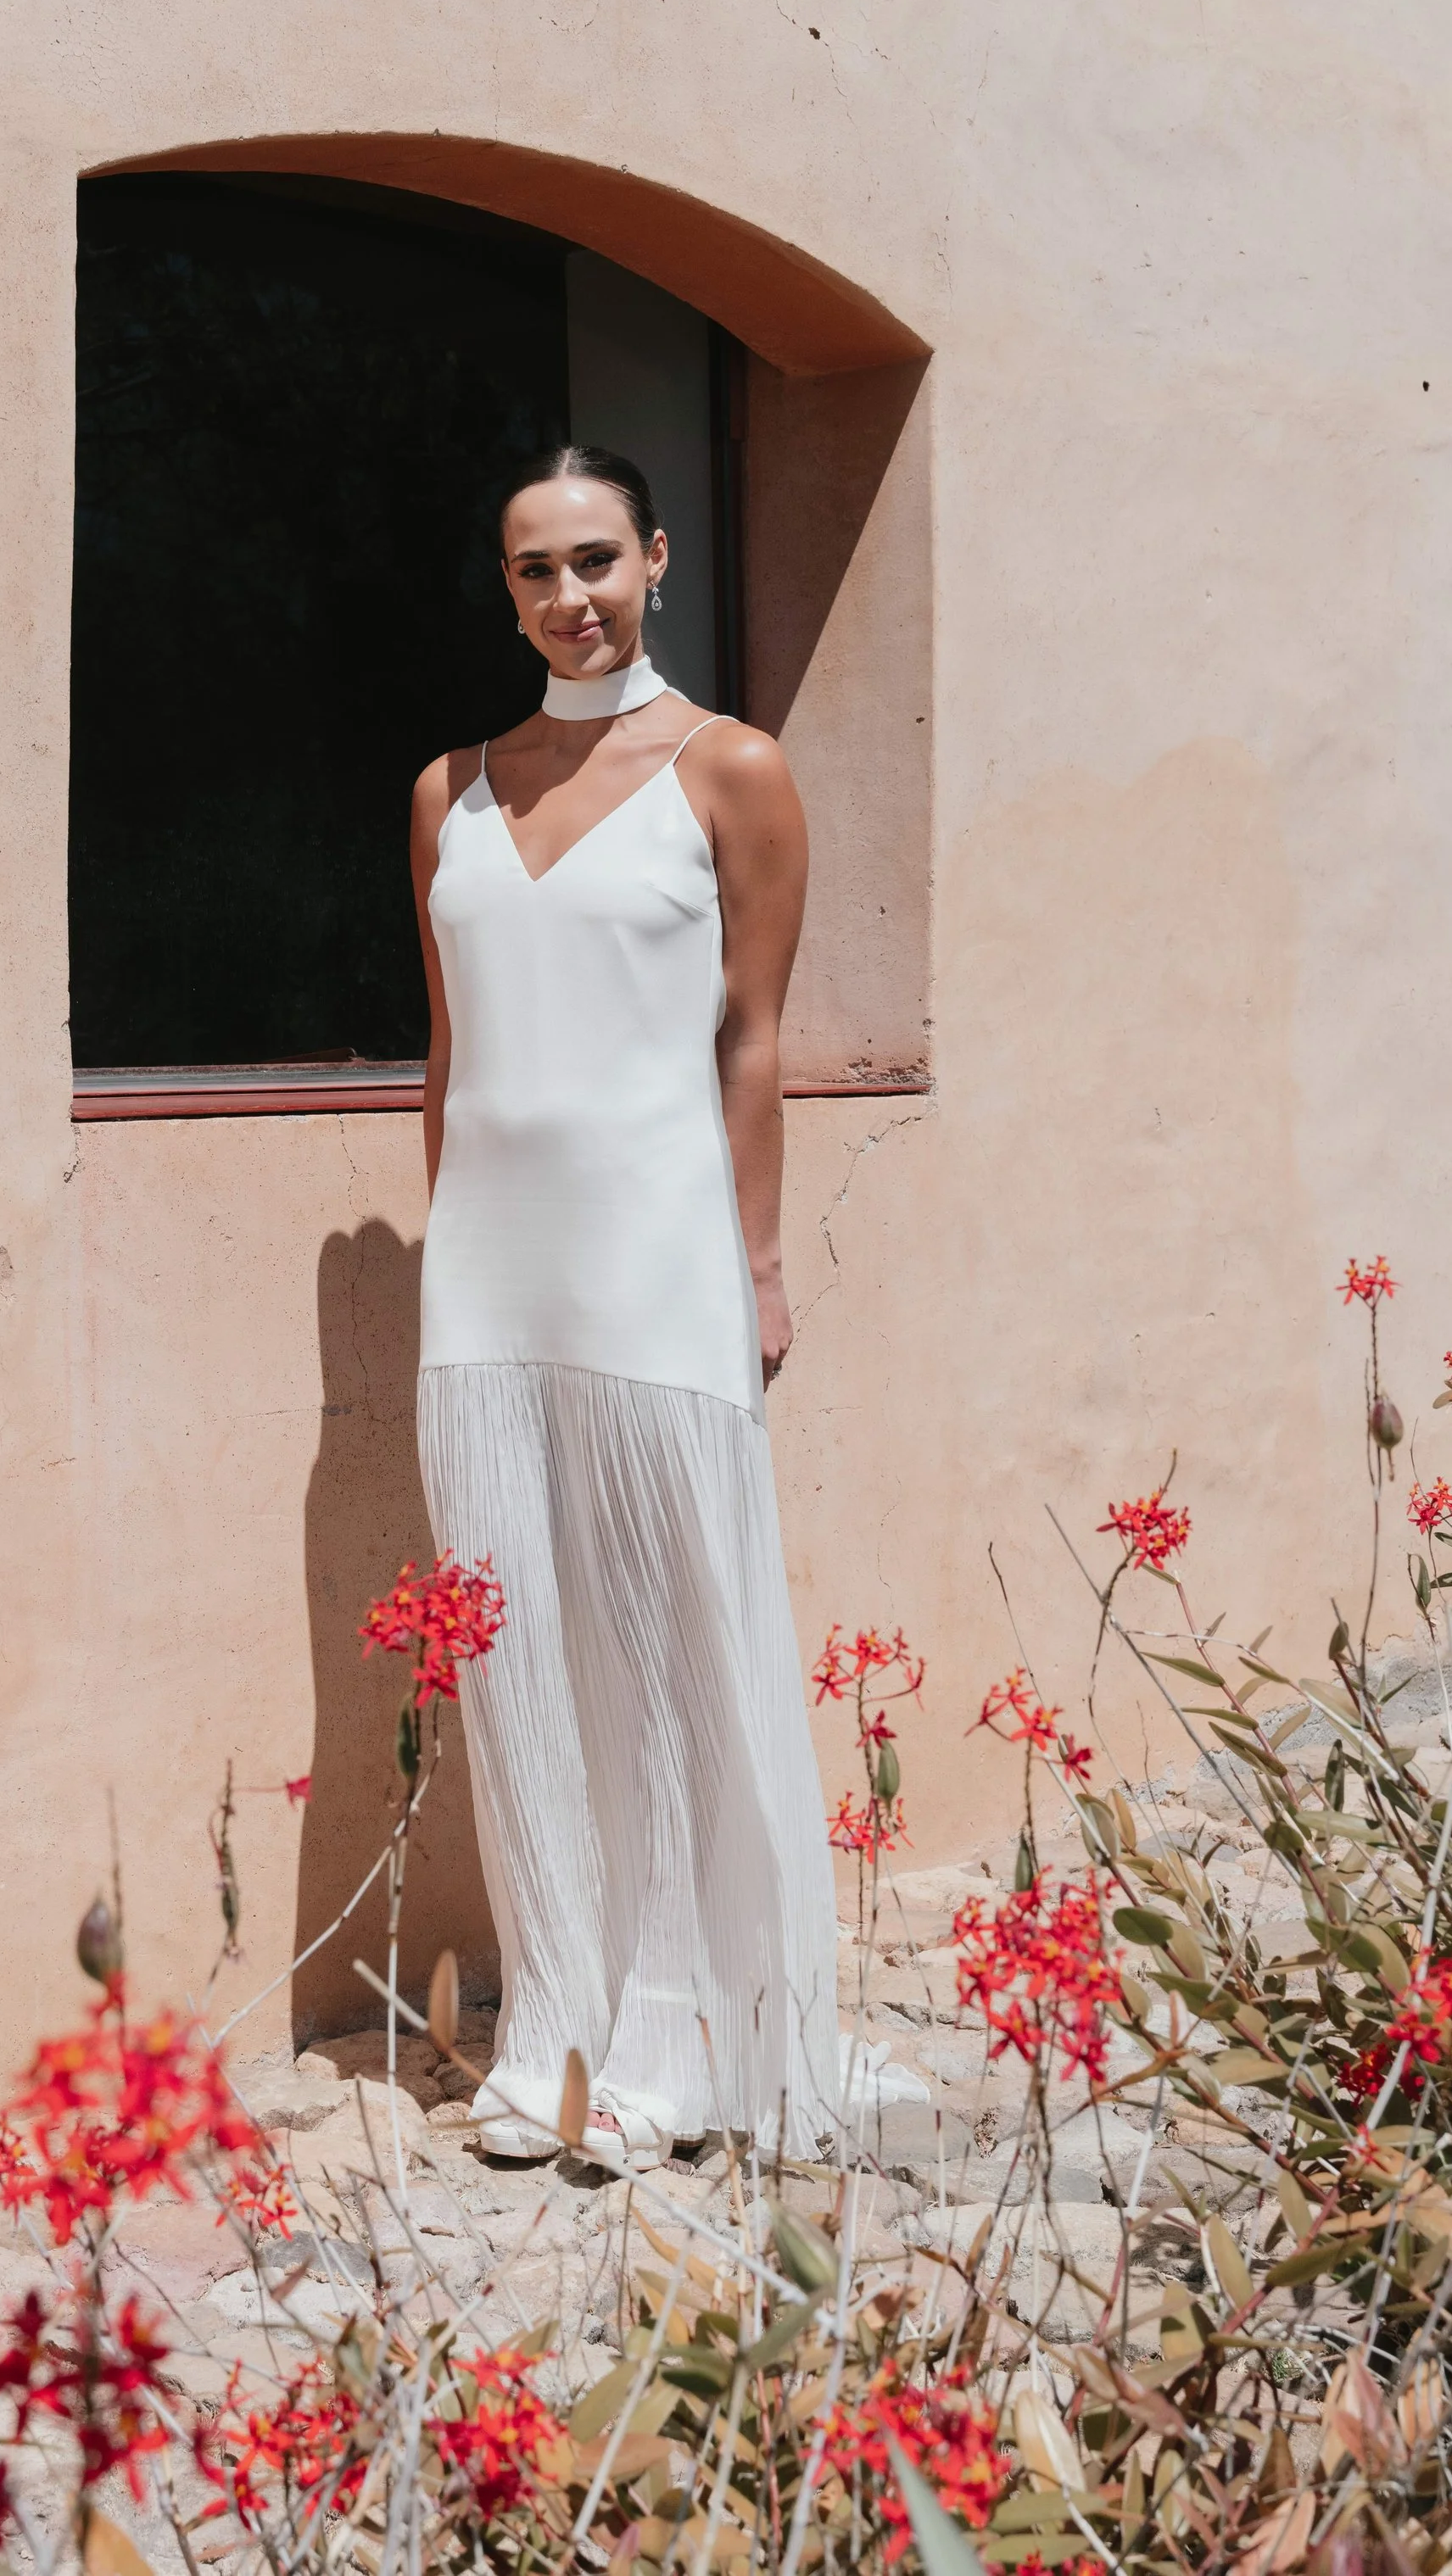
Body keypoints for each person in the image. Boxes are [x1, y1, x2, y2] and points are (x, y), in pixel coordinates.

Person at [409, 442, 841, 2172]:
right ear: (504, 589)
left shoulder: (730, 769)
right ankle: (558, 2026)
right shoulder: (448, 786)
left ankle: (673, 2036)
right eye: (533, 570)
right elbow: (448, 1052)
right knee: (511, 1645)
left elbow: (751, 1039)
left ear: (656, 559)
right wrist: (448, 1237)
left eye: (597, 559)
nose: (570, 595)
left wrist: (755, 1259)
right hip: (487, 1263)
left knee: (664, 1651)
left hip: (661, 1249)